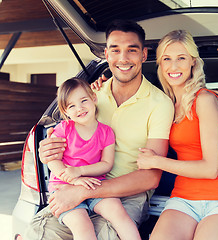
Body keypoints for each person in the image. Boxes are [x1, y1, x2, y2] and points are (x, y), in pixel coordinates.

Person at [24, 19, 174, 240]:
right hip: (74, 184)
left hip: (127, 193)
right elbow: (62, 137)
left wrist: (82, 190)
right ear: (106, 54)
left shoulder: (160, 104)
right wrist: (47, 152)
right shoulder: (90, 97)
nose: (123, 59)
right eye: (115, 50)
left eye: (131, 50)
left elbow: (150, 178)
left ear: (143, 55)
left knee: (106, 235)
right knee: (37, 233)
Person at [136, 30, 218, 239]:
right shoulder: (165, 105)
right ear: (160, 65)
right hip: (183, 198)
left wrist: (156, 161)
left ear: (193, 63)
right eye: (167, 59)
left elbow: (210, 169)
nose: (174, 66)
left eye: (181, 58)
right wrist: (100, 88)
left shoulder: (205, 100)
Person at [47, 77, 141, 240]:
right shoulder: (64, 129)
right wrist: (74, 180)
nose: (80, 108)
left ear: (94, 98)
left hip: (95, 185)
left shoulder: (106, 132)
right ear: (66, 111)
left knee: (119, 213)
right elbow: (53, 161)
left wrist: (80, 171)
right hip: (64, 187)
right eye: (72, 106)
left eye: (84, 100)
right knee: (82, 226)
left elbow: (106, 164)